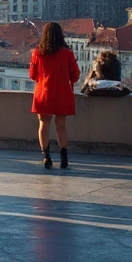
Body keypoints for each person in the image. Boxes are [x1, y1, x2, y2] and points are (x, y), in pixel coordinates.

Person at [29, 21, 81, 169]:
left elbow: (33, 75)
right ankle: (63, 156)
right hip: (62, 94)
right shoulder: (67, 54)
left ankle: (46, 156)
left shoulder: (37, 53)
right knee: (61, 126)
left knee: (43, 125)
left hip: (43, 94)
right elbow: (75, 75)